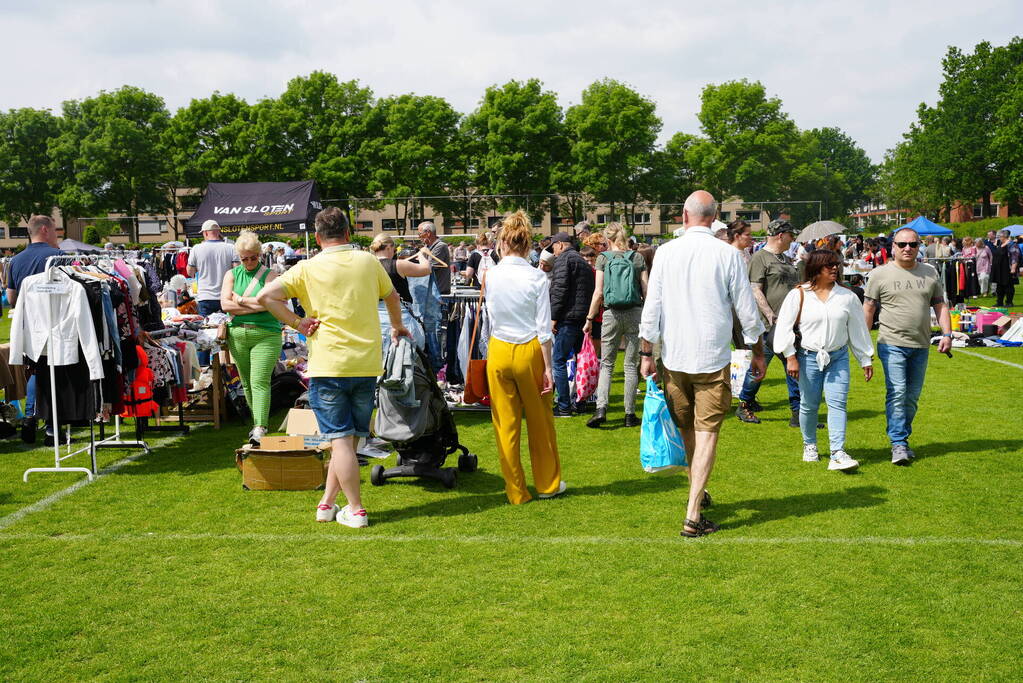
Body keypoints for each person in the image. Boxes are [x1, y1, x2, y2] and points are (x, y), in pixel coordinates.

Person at [257, 207, 409, 528]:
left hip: (329, 365)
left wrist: (298, 323)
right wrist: (397, 326)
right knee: (349, 441)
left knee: (342, 442)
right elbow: (393, 296)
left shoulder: (307, 267)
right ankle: (327, 504)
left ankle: (355, 509)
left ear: (316, 237)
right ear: (349, 232)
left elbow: (266, 296)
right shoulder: (368, 261)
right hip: (365, 363)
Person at [640, 190, 765, 537]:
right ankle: (693, 514)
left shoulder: (665, 253)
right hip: (709, 357)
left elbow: (653, 307)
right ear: (714, 219)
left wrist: (647, 353)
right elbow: (746, 308)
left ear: (684, 216)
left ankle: (697, 494)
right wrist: (756, 349)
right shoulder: (727, 254)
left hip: (675, 356)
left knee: (689, 430)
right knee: (705, 432)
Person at [484, 210, 563, 504]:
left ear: (503, 242)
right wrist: (548, 368)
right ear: (528, 244)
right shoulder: (536, 277)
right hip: (529, 348)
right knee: (540, 422)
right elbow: (544, 328)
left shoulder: (490, 275)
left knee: (506, 425)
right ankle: (547, 484)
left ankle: (516, 491)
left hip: (499, 348)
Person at [774, 250, 874, 471]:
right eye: (828, 265)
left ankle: (837, 451)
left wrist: (865, 358)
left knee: (837, 403)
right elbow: (784, 328)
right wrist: (790, 356)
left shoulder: (847, 296)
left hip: (838, 357)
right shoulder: (798, 294)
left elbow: (857, 330)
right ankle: (809, 444)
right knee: (809, 405)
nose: (835, 269)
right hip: (807, 356)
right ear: (815, 269)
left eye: (836, 265)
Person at [863, 227, 952, 465]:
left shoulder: (930, 272)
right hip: (891, 343)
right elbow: (868, 309)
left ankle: (902, 437)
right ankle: (898, 443)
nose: (907, 249)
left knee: (911, 397)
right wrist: (864, 347)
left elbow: (940, 305)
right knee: (898, 392)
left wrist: (947, 334)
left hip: (921, 344)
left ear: (919, 246)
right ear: (893, 246)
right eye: (902, 244)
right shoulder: (879, 274)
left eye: (913, 244)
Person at [736, 219, 802, 426]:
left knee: (793, 368)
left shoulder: (784, 258)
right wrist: (771, 315)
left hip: (789, 324)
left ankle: (798, 414)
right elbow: (755, 290)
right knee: (759, 367)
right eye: (791, 235)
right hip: (769, 327)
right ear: (781, 235)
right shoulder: (760, 258)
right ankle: (744, 405)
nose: (793, 240)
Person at [219, 230, 282, 445]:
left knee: (259, 381)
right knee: (246, 383)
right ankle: (257, 425)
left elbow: (273, 305)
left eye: (253, 257)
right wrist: (256, 304)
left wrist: (241, 302)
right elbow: (225, 305)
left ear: (260, 254)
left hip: (266, 334)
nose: (248, 262)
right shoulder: (231, 274)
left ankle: (260, 427)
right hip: (237, 335)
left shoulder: (270, 275)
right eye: (244, 258)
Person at [583, 223, 648, 428]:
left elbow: (598, 293)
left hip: (611, 314)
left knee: (607, 364)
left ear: (607, 239)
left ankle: (601, 408)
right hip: (635, 312)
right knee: (630, 365)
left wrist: (590, 318)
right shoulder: (637, 257)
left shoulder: (603, 258)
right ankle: (630, 414)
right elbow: (646, 289)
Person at [6, 215, 63, 445]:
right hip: (53, 324)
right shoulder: (58, 256)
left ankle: (30, 417)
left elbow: (11, 298)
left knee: (35, 372)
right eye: (55, 231)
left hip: (27, 325)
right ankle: (52, 428)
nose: (57, 235)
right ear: (45, 230)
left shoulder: (15, 260)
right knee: (57, 375)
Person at [549, 231, 595, 417]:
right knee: (579, 361)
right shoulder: (582, 261)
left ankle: (564, 406)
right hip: (582, 318)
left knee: (558, 360)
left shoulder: (563, 260)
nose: (553, 252)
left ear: (560, 244)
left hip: (567, 317)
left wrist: (553, 316)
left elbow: (559, 290)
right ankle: (580, 402)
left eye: (553, 247)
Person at [187, 219, 239, 365]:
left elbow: (190, 272)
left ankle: (204, 368)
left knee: (205, 334)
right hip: (227, 296)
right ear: (218, 232)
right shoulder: (230, 248)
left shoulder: (197, 248)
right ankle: (232, 365)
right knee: (230, 331)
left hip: (205, 296)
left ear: (205, 233)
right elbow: (237, 271)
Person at [370, 233, 430, 356]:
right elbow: (426, 269)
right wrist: (422, 255)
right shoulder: (398, 264)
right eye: (394, 249)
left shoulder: (367, 267)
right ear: (388, 247)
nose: (394, 252)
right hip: (400, 318)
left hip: (374, 320)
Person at [416, 222, 451, 295]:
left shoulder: (440, 246)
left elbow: (428, 268)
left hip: (439, 291)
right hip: (431, 290)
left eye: (420, 234)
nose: (419, 237)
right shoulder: (426, 247)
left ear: (428, 233)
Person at [990, 229, 1019, 307]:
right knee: (999, 287)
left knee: (1008, 286)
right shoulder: (1000, 244)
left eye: (999, 236)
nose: (998, 238)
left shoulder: (1012, 244)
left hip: (1007, 269)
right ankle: (999, 302)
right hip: (999, 269)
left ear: (1004, 236)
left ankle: (1009, 302)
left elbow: (1015, 257)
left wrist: (1013, 268)